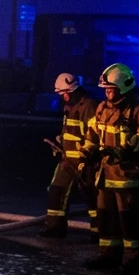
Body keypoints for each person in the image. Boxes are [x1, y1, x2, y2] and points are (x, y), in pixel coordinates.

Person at [81, 63, 139, 273]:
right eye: (106, 89)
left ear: (123, 87)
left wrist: (129, 151)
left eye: (111, 89)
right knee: (106, 217)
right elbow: (92, 134)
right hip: (105, 175)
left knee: (129, 220)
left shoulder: (136, 110)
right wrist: (87, 153)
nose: (108, 93)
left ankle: (134, 260)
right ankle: (107, 255)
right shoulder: (102, 109)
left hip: (128, 176)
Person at [40, 73, 98, 239]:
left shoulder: (88, 106)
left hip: (85, 162)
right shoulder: (70, 106)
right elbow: (73, 131)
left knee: (93, 197)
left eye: (63, 93)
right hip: (68, 160)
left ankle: (99, 233)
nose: (62, 97)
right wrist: (62, 140)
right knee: (56, 191)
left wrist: (87, 153)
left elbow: (94, 133)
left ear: (71, 91)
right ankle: (54, 228)